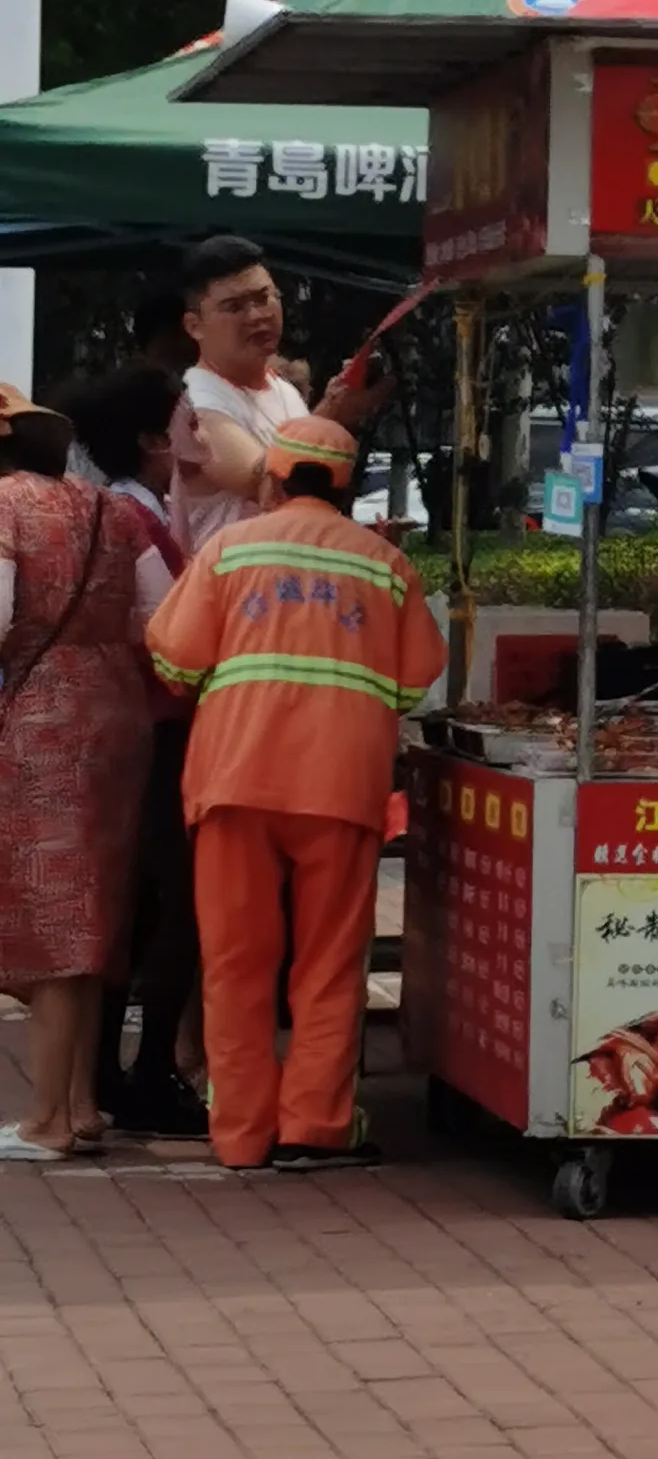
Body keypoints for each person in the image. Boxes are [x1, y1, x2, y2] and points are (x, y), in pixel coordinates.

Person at [147, 414, 444, 1170]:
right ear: (347, 487)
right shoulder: (384, 565)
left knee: (236, 962)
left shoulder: (227, 550)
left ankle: (240, 1133)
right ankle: (315, 1127)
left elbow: (176, 660)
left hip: (234, 779)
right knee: (328, 963)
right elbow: (415, 677)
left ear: (274, 477)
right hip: (340, 785)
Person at [0, 387, 171, 1161]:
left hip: (43, 716)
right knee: (97, 907)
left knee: (53, 917)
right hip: (120, 714)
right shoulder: (115, 509)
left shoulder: (4, 505)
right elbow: (160, 617)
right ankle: (83, 1106)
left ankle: (45, 1122)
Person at [66, 370, 205, 1136]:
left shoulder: (129, 510)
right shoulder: (136, 519)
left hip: (137, 725)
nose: (202, 433)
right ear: (155, 442)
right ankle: (146, 1070)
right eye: (189, 422)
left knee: (139, 900)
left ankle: (111, 1074)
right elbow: (169, 631)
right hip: (163, 726)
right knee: (170, 903)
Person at [168, 236, 389, 558]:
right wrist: (331, 412)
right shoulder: (195, 403)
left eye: (264, 297)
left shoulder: (281, 389)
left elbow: (301, 499)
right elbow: (267, 484)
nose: (257, 315)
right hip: (230, 598)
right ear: (194, 326)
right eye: (235, 307)